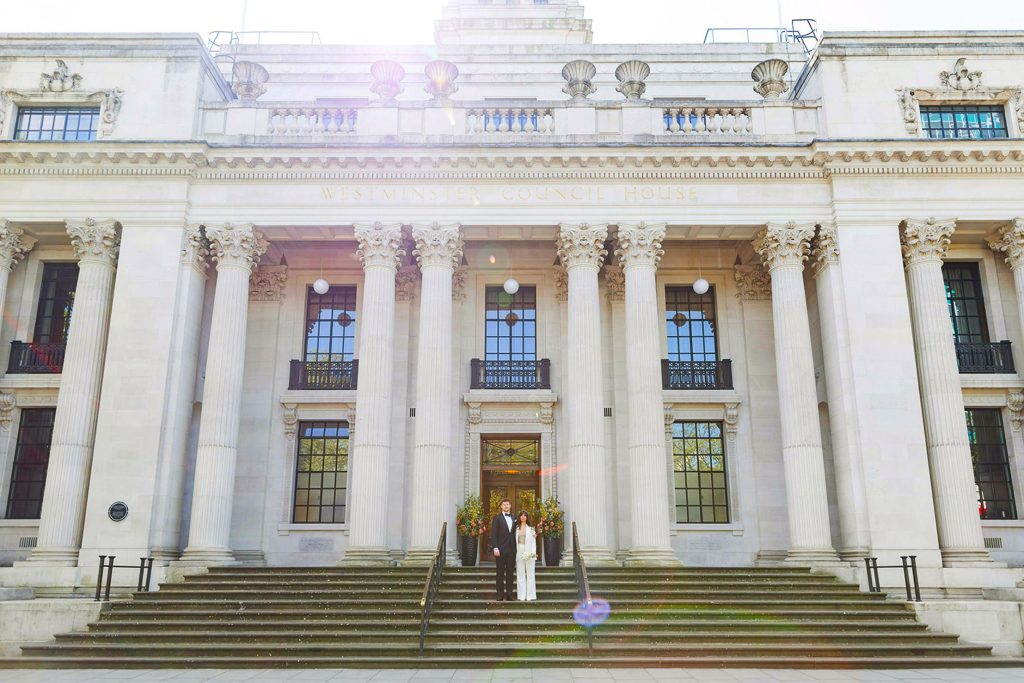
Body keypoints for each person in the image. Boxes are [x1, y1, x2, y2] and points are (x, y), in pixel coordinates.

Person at [491, 498, 516, 601]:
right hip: (500, 549)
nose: (506, 506)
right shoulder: (497, 518)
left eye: (507, 504)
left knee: (510, 573)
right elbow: (494, 534)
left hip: (512, 550)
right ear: (501, 506)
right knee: (500, 572)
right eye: (504, 504)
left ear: (510, 506)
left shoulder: (514, 518)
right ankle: (500, 594)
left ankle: (509, 594)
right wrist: (495, 547)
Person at [515, 510, 537, 601]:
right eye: (521, 515)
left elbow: (533, 542)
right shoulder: (516, 529)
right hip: (519, 551)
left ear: (527, 517)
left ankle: (530, 595)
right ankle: (521, 595)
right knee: (520, 574)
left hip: (529, 552)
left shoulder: (531, 529)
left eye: (525, 515)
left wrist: (532, 554)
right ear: (519, 517)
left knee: (530, 574)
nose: (523, 517)